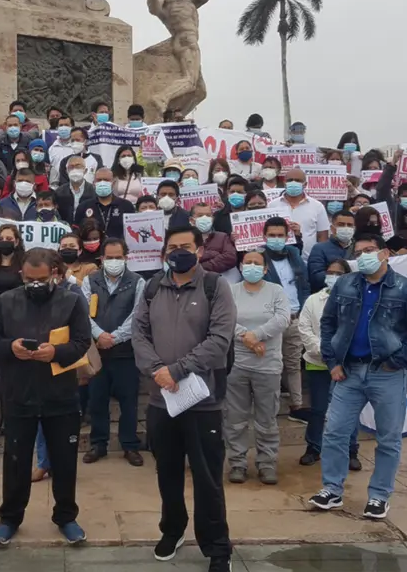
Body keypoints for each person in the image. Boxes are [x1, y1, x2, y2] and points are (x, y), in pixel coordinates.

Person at [132, 225, 235, 570]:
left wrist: (176, 371)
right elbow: (139, 334)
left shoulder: (215, 287)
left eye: (186, 246)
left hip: (203, 401)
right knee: (167, 472)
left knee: (207, 478)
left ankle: (217, 548)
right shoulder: (151, 288)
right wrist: (157, 370)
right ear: (164, 253)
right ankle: (172, 530)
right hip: (162, 401)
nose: (179, 252)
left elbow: (220, 339)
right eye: (173, 247)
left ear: (200, 249)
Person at [309, 233, 407, 519]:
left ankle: (379, 496)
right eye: (359, 251)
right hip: (348, 372)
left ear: (385, 253)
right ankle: (332, 490)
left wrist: (398, 361)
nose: (363, 255)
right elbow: (328, 324)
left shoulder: (406, 288)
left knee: (388, 438)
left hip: (387, 374)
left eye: (370, 250)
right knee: (335, 432)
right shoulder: (345, 284)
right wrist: (332, 362)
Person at [0, 248, 92, 546]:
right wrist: (11, 347)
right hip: (19, 394)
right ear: (21, 274)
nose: (35, 284)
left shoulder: (71, 300)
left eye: (41, 279)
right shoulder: (6, 301)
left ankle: (66, 517)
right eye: (29, 278)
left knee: (65, 461)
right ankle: (10, 518)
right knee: (16, 461)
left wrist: (56, 352)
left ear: (55, 273)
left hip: (61, 395)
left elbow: (83, 341)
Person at [224, 248, 290, 485]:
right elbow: (224, 319)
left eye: (256, 263)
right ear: (241, 267)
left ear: (265, 269)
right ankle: (238, 463)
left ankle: (267, 463)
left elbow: (283, 318)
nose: (251, 266)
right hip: (237, 364)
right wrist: (248, 338)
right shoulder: (230, 291)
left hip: (268, 365)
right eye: (247, 262)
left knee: (267, 419)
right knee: (235, 418)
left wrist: (259, 334)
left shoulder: (276, 291)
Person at [80, 238, 145, 467]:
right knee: (97, 401)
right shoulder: (90, 281)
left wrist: (115, 338)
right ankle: (99, 444)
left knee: (129, 402)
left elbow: (137, 316)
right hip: (98, 353)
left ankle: (130, 445)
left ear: (126, 258)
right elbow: (83, 313)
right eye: (110, 258)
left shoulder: (137, 282)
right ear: (102, 259)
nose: (114, 261)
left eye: (118, 257)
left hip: (126, 352)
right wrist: (99, 336)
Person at [298, 259, 361, 469]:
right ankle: (313, 447)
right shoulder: (313, 300)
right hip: (318, 362)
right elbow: (305, 328)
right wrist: (325, 352)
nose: (332, 276)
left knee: (348, 409)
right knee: (318, 408)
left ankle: (350, 450)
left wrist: (340, 354)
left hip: (348, 364)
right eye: (329, 272)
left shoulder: (357, 298)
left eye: (338, 273)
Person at [261, 217, 311, 423]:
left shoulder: (293, 253)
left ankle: (296, 406)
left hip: (295, 317)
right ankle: (268, 408)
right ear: (264, 236)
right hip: (273, 320)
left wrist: (303, 310)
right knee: (272, 364)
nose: (276, 239)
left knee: (293, 364)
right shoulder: (259, 257)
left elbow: (304, 283)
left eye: (280, 235)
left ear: (286, 236)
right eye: (272, 235)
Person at [268, 167, 330, 259]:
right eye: (290, 180)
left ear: (305, 184)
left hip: (307, 260)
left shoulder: (317, 206)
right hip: (278, 258)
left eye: (298, 180)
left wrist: (320, 259)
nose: (293, 183)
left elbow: (322, 237)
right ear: (284, 183)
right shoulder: (272, 205)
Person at [73, 168, 135, 239]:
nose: (102, 183)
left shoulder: (126, 206)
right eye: (99, 180)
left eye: (106, 180)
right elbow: (76, 233)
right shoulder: (83, 206)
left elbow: (132, 231)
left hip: (118, 248)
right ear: (94, 183)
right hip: (92, 248)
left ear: (113, 183)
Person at [307, 210, 355, 292]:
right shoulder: (319, 248)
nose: (346, 228)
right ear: (332, 228)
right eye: (341, 225)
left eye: (349, 225)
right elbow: (316, 278)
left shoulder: (358, 249)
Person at [192, 202, 236, 273]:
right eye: (200, 215)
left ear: (212, 218)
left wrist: (200, 267)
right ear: (192, 220)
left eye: (208, 215)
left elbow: (230, 258)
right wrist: (213, 254)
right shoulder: (186, 239)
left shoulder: (222, 236)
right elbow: (188, 261)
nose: (204, 218)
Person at [55, 156, 96, 222]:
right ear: (66, 171)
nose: (74, 169)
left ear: (85, 170)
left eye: (78, 166)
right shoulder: (59, 192)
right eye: (71, 167)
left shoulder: (93, 191)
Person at [47, 115, 77, 185]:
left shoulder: (77, 147)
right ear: (57, 128)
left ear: (72, 127)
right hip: (55, 186)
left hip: (72, 184)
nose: (63, 127)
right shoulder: (52, 148)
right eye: (61, 125)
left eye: (66, 125)